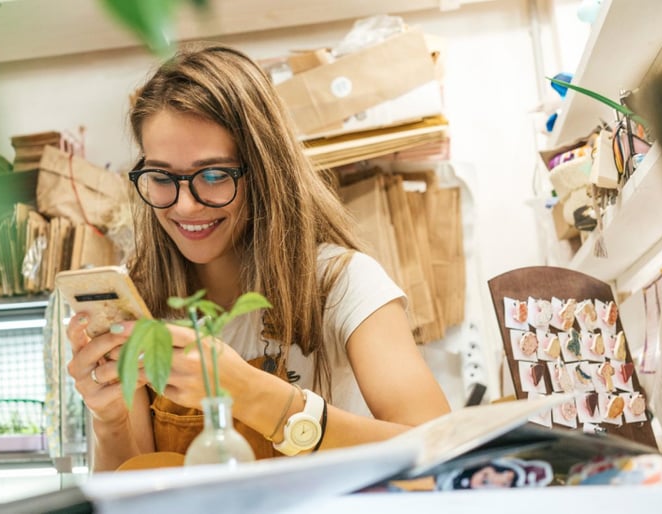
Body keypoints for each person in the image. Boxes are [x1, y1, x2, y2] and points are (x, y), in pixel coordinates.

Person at [66, 43, 450, 472]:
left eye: (213, 174)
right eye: (161, 177)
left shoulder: (344, 283)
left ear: (264, 171)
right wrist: (111, 420)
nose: (186, 205)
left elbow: (443, 452)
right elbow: (132, 489)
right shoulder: (138, 305)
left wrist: (253, 394)